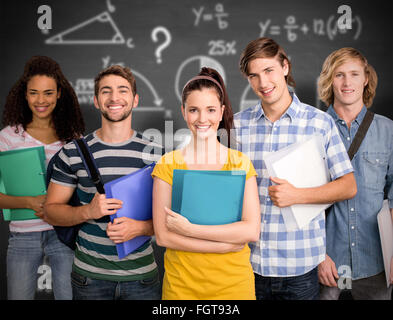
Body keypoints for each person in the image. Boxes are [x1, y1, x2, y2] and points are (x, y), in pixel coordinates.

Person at [234, 37, 357, 300]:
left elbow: (348, 185)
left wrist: (298, 195)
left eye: (269, 71)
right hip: (247, 265)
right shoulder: (237, 126)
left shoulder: (319, 123)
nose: (263, 83)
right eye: (254, 76)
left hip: (299, 269)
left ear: (285, 67)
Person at [44, 65, 162, 300]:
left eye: (123, 90)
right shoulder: (73, 153)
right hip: (89, 278)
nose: (114, 97)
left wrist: (140, 228)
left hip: (142, 278)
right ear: (96, 100)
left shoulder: (157, 154)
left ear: (135, 100)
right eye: (106, 91)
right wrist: (88, 210)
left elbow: (171, 218)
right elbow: (51, 212)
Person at [152, 67, 261, 300]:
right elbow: (163, 236)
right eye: (194, 110)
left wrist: (191, 230)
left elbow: (251, 230)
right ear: (183, 112)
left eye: (210, 110)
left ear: (221, 112)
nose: (202, 119)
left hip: (234, 287)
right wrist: (224, 244)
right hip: (181, 289)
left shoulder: (240, 163)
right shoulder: (167, 165)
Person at [0, 55, 85, 299]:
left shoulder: (73, 138)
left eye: (48, 93)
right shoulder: (8, 137)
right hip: (23, 237)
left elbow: (82, 189)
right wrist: (28, 202)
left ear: (59, 93)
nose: (41, 100)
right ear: (24, 95)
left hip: (64, 235)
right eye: (34, 93)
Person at [317, 47, 393, 299]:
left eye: (354, 74)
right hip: (326, 265)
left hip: (377, 264)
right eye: (339, 75)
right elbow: (300, 200)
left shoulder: (388, 130)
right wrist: (318, 255)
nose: (347, 82)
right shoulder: (312, 129)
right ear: (330, 80)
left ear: (366, 79)